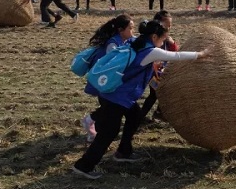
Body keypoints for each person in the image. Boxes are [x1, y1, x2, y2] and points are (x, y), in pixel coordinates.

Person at [73, 20, 210, 179]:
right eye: (162, 39)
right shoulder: (150, 51)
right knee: (109, 132)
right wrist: (201, 54)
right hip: (116, 97)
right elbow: (176, 56)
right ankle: (84, 166)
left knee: (135, 115)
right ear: (153, 36)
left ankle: (124, 151)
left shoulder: (136, 43)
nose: (162, 43)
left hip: (116, 95)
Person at [80, 14, 136, 143]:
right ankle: (90, 122)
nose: (133, 31)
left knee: (110, 109)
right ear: (121, 30)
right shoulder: (112, 45)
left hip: (109, 82)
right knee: (111, 109)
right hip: (105, 82)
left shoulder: (123, 40)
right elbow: (113, 66)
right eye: (131, 28)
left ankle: (92, 130)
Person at [141, 11, 178, 122]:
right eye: (167, 25)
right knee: (155, 94)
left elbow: (174, 52)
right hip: (153, 73)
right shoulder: (153, 38)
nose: (169, 27)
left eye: (170, 25)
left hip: (161, 72)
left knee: (158, 94)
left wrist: (172, 44)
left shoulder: (165, 38)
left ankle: (155, 113)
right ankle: (142, 116)